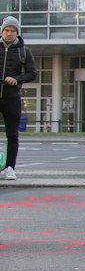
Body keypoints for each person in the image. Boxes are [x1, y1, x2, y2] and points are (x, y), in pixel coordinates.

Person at [1, 17, 36, 180]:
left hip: (12, 97)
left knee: (12, 134)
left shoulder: (24, 51)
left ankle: (10, 167)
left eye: (12, 31)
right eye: (6, 30)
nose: (9, 34)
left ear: (17, 33)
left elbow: (32, 73)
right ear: (2, 32)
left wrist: (17, 79)